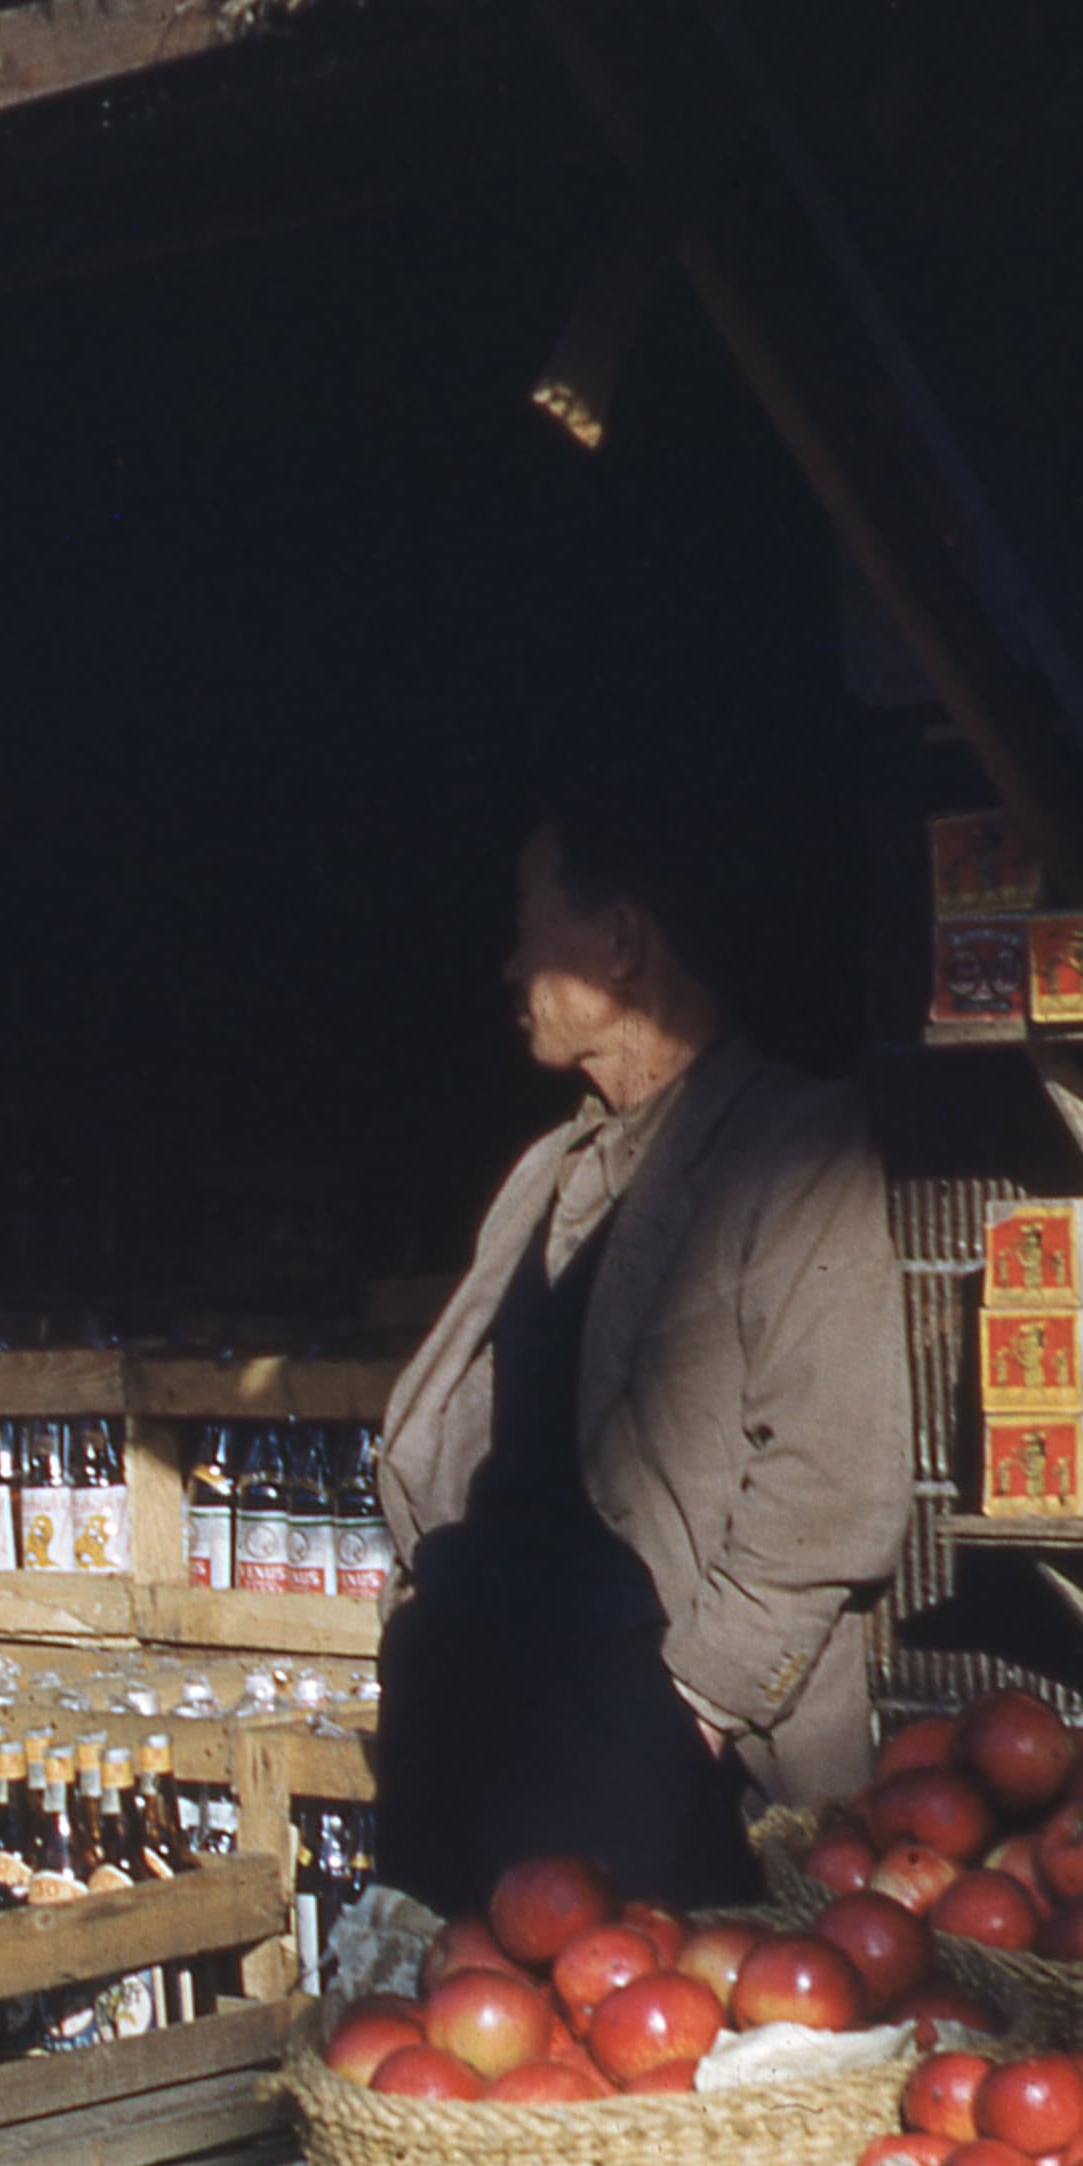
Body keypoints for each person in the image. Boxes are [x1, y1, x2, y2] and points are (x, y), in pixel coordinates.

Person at [368, 789, 909, 1914]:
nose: (509, 963)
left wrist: (697, 1703)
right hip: (474, 1718)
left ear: (620, 945)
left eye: (530, 923)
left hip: (633, 1732)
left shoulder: (794, 1146)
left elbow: (836, 1474)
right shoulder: (544, 1174)